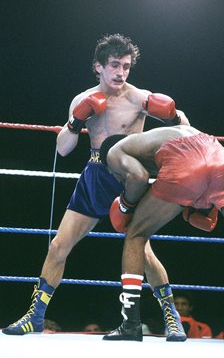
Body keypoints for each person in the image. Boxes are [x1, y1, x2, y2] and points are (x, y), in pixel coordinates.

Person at [2, 33, 190, 337]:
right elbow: (63, 149)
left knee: (143, 252)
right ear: (98, 67)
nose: (121, 73)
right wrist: (76, 122)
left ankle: (172, 317)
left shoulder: (139, 98)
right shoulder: (83, 100)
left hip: (131, 177)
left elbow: (183, 125)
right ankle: (34, 316)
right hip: (95, 175)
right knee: (58, 246)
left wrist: (171, 118)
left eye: (126, 66)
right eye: (114, 65)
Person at [98, 124, 224, 341]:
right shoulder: (162, 136)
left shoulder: (114, 152)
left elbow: (138, 177)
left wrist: (125, 204)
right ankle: (170, 318)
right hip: (221, 158)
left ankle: (130, 323)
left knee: (135, 234)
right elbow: (197, 165)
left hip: (186, 166)